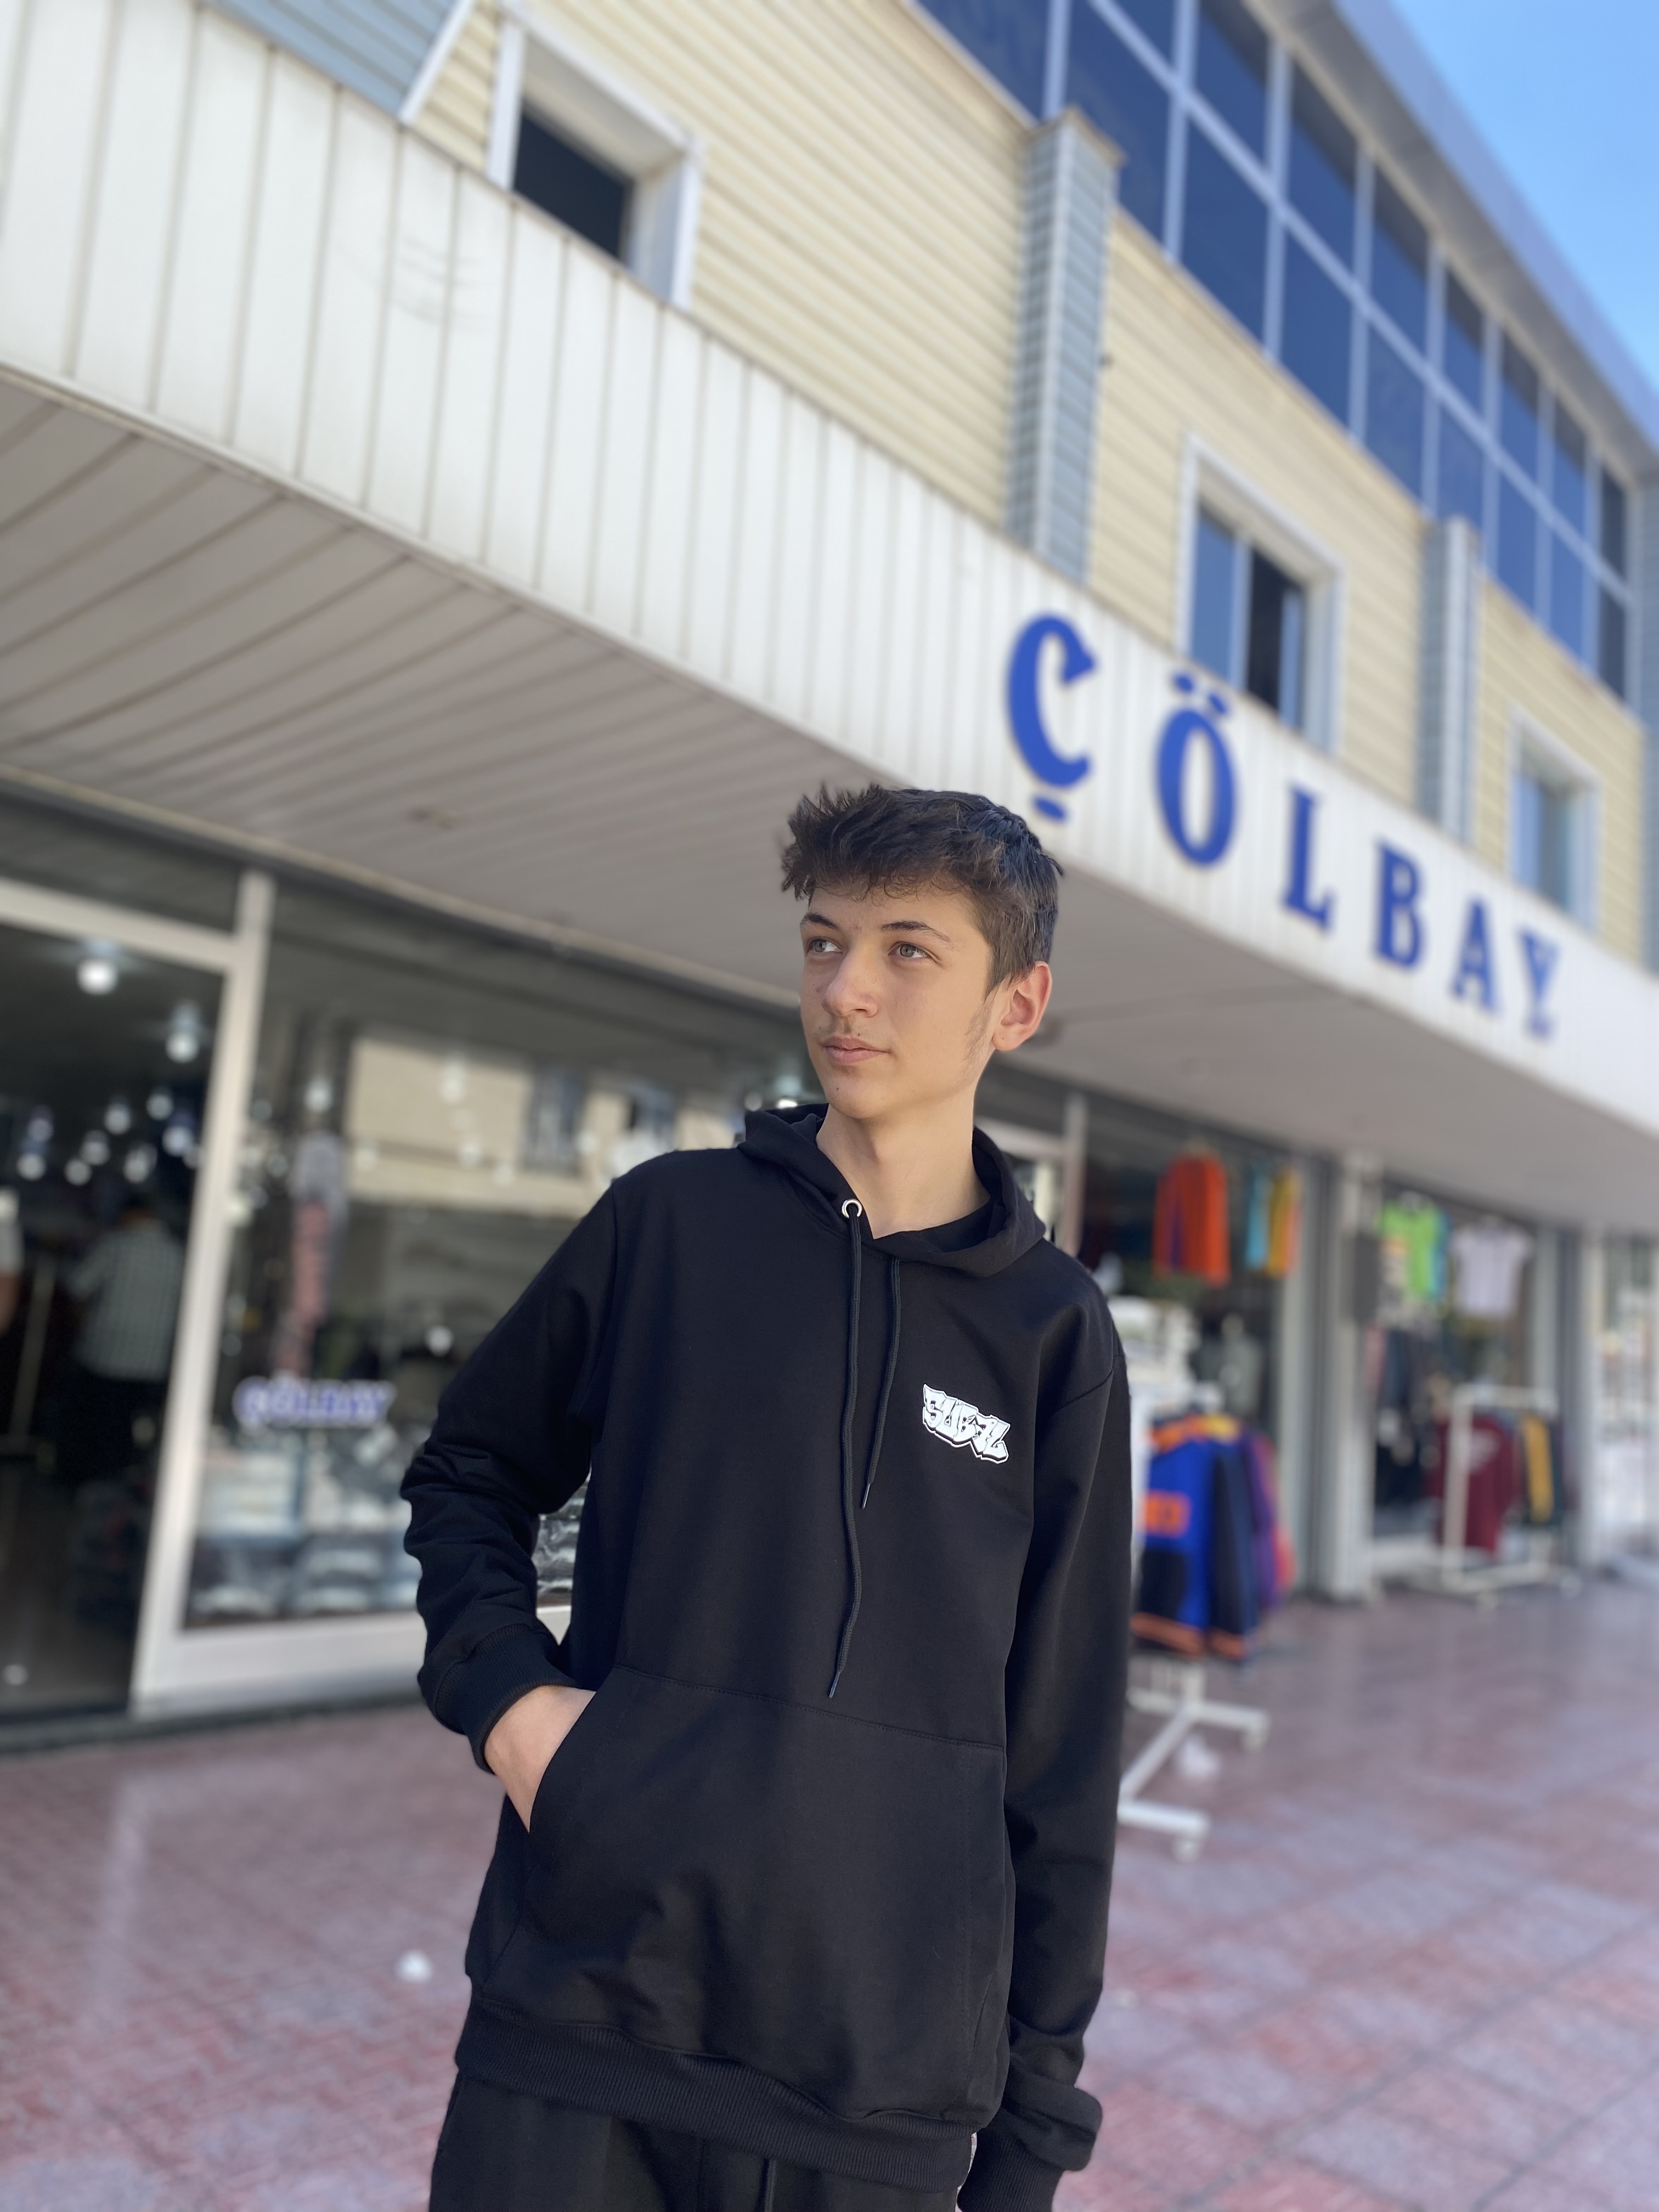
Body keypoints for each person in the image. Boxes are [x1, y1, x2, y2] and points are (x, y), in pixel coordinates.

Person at [403, 787, 1132, 2212]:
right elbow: (469, 1471)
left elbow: (1063, 1751)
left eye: (907, 951)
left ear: (1017, 1004)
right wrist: (511, 1703)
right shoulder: (669, 1226)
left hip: (877, 2087)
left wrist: (1033, 2134)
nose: (845, 990)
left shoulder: (1054, 1335)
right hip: (581, 2024)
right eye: (822, 942)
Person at [62, 1197, 184, 1484]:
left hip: (105, 1355)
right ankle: (125, 1483)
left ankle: (93, 1483)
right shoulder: (178, 1253)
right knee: (135, 1427)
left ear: (130, 1214)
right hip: (154, 1361)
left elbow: (78, 1286)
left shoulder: (115, 1245)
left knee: (98, 1427)